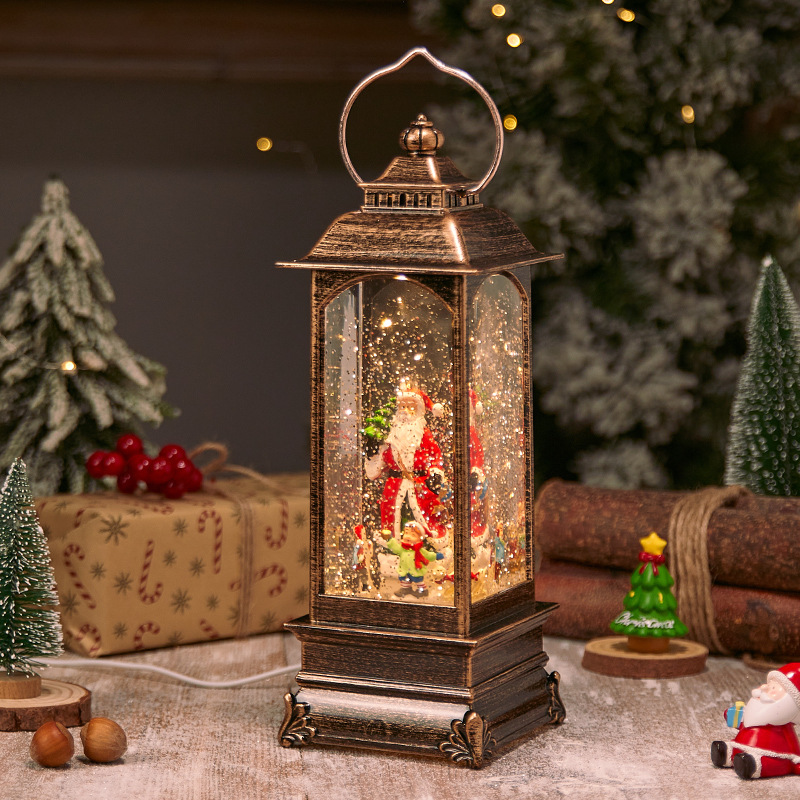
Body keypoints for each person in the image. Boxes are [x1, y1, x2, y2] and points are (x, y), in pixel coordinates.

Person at [365, 388, 449, 541]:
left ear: (418, 410)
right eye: (402, 407)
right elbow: (378, 466)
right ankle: (393, 547)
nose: (405, 411)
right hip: (395, 486)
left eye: (410, 407)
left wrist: (435, 472)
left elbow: (435, 455)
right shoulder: (390, 435)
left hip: (420, 485)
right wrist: (372, 453)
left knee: (423, 517)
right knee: (393, 519)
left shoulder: (423, 434)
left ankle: (426, 545)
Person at [711, 662, 800, 779]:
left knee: (764, 762)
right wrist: (734, 716)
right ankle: (725, 753)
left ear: (790, 703)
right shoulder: (753, 712)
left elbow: (793, 749)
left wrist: (796, 762)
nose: (763, 687)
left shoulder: (783, 726)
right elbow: (743, 721)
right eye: (768, 684)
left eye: (773, 687)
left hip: (768, 756)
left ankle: (751, 766)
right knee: (734, 749)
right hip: (741, 744)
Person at [374, 521, 444, 598]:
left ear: (419, 539)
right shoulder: (402, 549)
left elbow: (428, 555)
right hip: (405, 569)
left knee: (418, 580)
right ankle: (406, 589)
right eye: (406, 533)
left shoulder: (419, 550)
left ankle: (423, 590)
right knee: (404, 579)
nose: (408, 537)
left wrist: (436, 556)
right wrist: (390, 539)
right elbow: (395, 547)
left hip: (416, 570)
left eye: (413, 535)